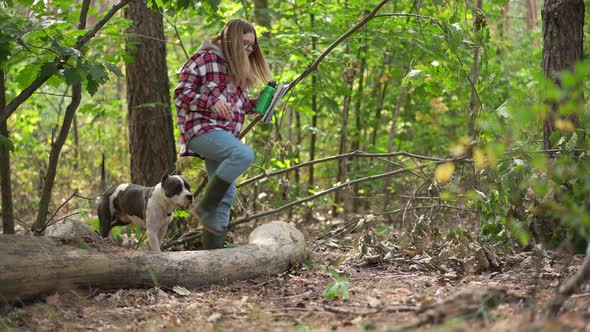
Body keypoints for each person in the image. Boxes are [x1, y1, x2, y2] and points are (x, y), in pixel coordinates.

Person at [174, 19, 272, 249]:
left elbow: (235, 104)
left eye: (252, 46)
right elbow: (180, 94)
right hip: (201, 130)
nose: (249, 50)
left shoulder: (235, 68)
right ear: (230, 40)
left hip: (224, 134)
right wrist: (209, 102)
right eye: (245, 44)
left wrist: (254, 104)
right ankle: (204, 206)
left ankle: (214, 255)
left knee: (226, 194)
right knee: (243, 155)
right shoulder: (204, 59)